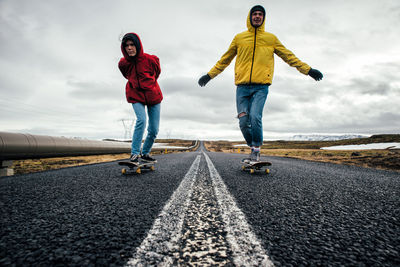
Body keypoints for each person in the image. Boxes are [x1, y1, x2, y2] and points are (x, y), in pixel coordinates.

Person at [198, 5, 323, 162]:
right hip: (242, 87)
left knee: (255, 117)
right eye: (255, 14)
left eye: (260, 14)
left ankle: (256, 151)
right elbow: (225, 60)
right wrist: (209, 75)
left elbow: (289, 56)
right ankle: (253, 147)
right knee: (243, 121)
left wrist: (308, 70)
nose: (257, 16)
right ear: (250, 17)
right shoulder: (239, 38)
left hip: (261, 87)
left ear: (263, 18)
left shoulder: (271, 39)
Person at [118, 32, 163, 163]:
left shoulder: (151, 60)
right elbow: (127, 75)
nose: (129, 48)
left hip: (153, 96)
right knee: (141, 120)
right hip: (135, 95)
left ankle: (146, 153)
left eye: (132, 45)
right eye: (126, 46)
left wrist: (148, 84)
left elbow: (157, 73)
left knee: (154, 129)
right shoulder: (123, 64)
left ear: (138, 45)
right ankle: (135, 154)